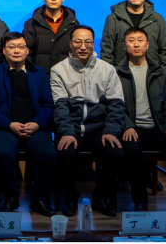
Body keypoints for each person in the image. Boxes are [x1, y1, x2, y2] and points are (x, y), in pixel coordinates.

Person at [116, 27, 166, 214]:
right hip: (133, 128)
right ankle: (140, 202)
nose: (136, 44)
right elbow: (114, 103)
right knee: (130, 150)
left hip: (158, 128)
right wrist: (127, 126)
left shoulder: (161, 72)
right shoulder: (116, 72)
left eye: (140, 40)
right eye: (131, 40)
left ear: (147, 45)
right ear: (125, 45)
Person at [50, 26, 125, 218]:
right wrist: (67, 132)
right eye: (78, 41)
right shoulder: (58, 70)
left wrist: (110, 130)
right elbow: (60, 106)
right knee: (65, 153)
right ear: (70, 44)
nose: (83, 46)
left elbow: (116, 105)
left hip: (99, 128)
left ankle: (100, 197)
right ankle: (70, 197)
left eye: (88, 42)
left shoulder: (107, 69)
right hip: (72, 127)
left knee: (115, 153)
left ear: (93, 44)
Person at [0, 33, 56, 217]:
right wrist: (10, 125)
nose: (16, 50)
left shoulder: (39, 73)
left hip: (34, 127)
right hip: (5, 128)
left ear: (27, 50)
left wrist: (37, 124)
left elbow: (48, 104)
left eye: (21, 47)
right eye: (12, 47)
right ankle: (10, 197)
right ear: (4, 51)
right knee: (3, 153)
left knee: (48, 153)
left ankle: (38, 198)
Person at [100, 0, 166, 73]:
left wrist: (163, 76)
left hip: (153, 75)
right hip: (121, 74)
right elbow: (107, 51)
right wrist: (111, 76)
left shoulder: (157, 19)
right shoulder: (113, 19)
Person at [23, 0, 81, 72]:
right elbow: (26, 53)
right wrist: (32, 75)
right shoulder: (31, 24)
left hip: (67, 77)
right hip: (40, 77)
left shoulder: (74, 24)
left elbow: (77, 53)